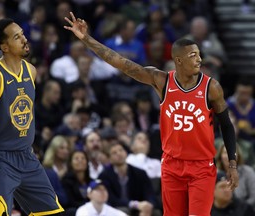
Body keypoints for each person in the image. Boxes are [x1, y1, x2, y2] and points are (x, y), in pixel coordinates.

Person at [64, 12, 239, 215]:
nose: (199, 59)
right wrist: (87, 39)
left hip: (201, 165)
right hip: (172, 164)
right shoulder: (162, 81)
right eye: (193, 55)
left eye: (199, 54)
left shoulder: (211, 87)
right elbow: (121, 62)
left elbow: (226, 124)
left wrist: (233, 164)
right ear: (178, 60)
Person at [0, 18, 64, 216]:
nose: (24, 39)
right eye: (17, 37)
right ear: (4, 46)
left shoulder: (31, 71)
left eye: (23, 34)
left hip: (27, 156)